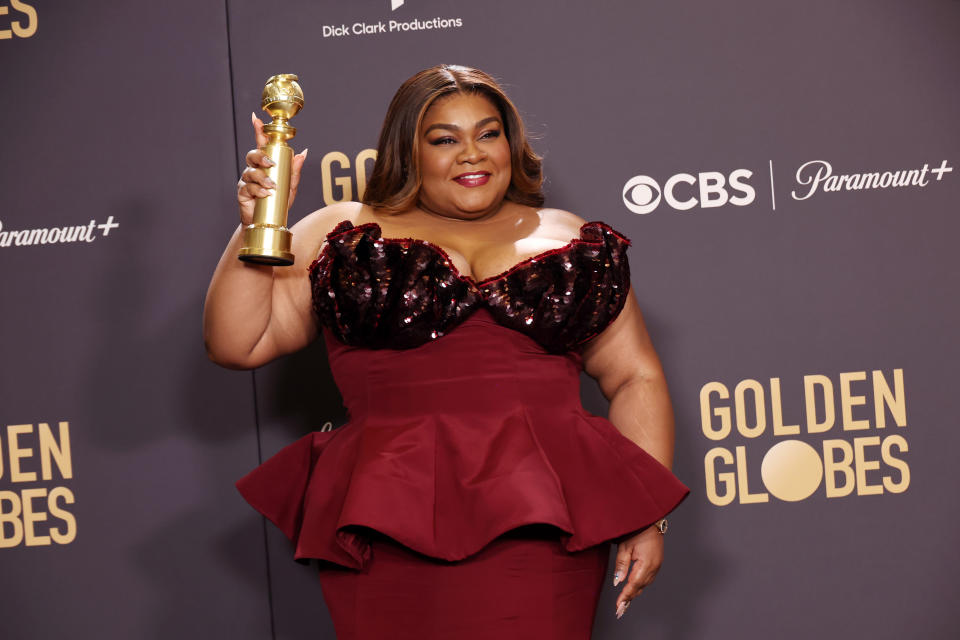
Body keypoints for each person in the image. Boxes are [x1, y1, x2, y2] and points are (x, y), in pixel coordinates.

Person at [204, 64, 688, 639]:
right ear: (406, 151)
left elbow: (636, 377)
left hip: (541, 528)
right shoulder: (342, 231)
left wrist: (647, 519)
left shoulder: (568, 238)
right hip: (389, 518)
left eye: (488, 134)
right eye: (445, 139)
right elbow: (237, 343)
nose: (472, 154)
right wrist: (260, 222)